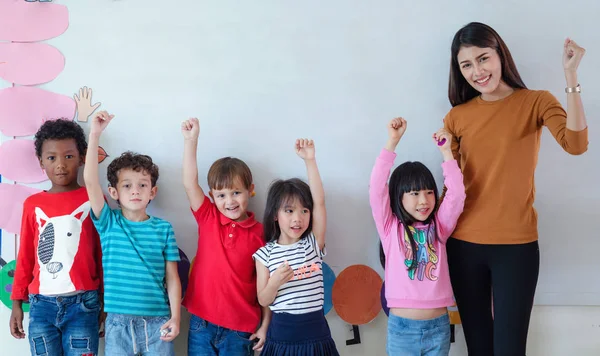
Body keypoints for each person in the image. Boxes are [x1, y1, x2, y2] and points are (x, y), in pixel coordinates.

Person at [443, 22, 589, 355]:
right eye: (466, 64)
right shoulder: (456, 117)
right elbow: (450, 190)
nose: (477, 71)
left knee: (510, 349)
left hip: (516, 248)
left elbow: (577, 144)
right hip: (463, 246)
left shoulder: (535, 102)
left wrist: (570, 77)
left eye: (483, 58)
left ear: (500, 55)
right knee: (479, 349)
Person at [84, 110, 181, 355]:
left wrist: (176, 317)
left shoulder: (163, 228)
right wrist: (94, 134)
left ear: (153, 192)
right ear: (114, 192)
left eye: (142, 185)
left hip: (158, 321)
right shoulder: (108, 222)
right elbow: (89, 182)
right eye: (127, 185)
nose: (135, 191)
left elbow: (172, 277)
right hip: (118, 323)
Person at [370, 117, 465, 355]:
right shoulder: (390, 228)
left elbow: (457, 195)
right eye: (414, 193)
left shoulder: (440, 226)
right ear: (398, 197)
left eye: (429, 192)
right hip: (403, 329)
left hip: (439, 326)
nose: (424, 201)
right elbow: (376, 188)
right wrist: (392, 143)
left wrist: (446, 153)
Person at [10, 118, 104, 356]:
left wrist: (106, 301)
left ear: (82, 157)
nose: (61, 165)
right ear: (41, 161)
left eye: (69, 156)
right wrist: (17, 303)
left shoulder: (92, 198)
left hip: (84, 304)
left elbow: (104, 251)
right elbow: (26, 256)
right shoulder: (33, 205)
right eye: (52, 158)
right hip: (41, 306)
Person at [181, 117, 269, 355]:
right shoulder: (207, 216)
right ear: (212, 195)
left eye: (236, 193)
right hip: (201, 324)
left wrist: (265, 326)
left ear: (250, 189)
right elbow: (190, 183)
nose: (229, 201)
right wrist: (191, 141)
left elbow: (267, 286)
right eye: (221, 195)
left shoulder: (260, 233)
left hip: (240, 330)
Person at [254, 139, 339, 356]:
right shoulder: (265, 254)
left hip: (316, 335)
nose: (297, 218)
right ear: (275, 215)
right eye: (289, 211)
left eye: (304, 211)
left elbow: (320, 202)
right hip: (281, 338)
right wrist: (274, 283)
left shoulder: (312, 244)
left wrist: (310, 160)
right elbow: (263, 299)